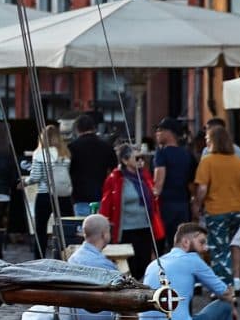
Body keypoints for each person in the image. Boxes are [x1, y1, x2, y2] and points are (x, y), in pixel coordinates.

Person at [140, 222, 240, 320]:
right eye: (201, 242)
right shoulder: (192, 259)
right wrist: (233, 306)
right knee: (225, 306)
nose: (205, 248)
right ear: (186, 242)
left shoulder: (154, 264)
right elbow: (223, 292)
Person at [192, 122, 240, 287]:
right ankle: (229, 284)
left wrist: (197, 205)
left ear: (213, 141)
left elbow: (203, 189)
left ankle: (223, 289)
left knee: (219, 250)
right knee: (225, 247)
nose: (206, 142)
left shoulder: (207, 161)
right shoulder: (238, 162)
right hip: (237, 212)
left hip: (216, 211)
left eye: (208, 139)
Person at [99, 142, 165, 278]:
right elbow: (106, 204)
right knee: (130, 266)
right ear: (124, 160)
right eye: (137, 158)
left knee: (144, 263)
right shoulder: (115, 178)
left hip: (145, 226)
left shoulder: (144, 176)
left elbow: (153, 199)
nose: (141, 161)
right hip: (126, 229)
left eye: (142, 158)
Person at [25, 123, 74, 256]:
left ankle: (39, 258)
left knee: (40, 230)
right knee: (65, 230)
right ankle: (64, 256)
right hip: (63, 195)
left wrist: (25, 182)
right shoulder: (66, 154)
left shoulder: (40, 153)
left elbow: (35, 177)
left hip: (44, 194)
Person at [67, 112, 117, 214]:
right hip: (101, 195)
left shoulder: (72, 147)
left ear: (77, 129)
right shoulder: (106, 146)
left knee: (82, 227)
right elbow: (114, 170)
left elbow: (67, 171)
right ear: (94, 128)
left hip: (79, 196)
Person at [151, 120, 196, 232]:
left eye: (160, 130)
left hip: (165, 204)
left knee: (161, 242)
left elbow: (158, 184)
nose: (157, 133)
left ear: (169, 133)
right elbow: (192, 183)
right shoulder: (188, 154)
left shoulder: (161, 153)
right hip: (183, 204)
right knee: (180, 240)